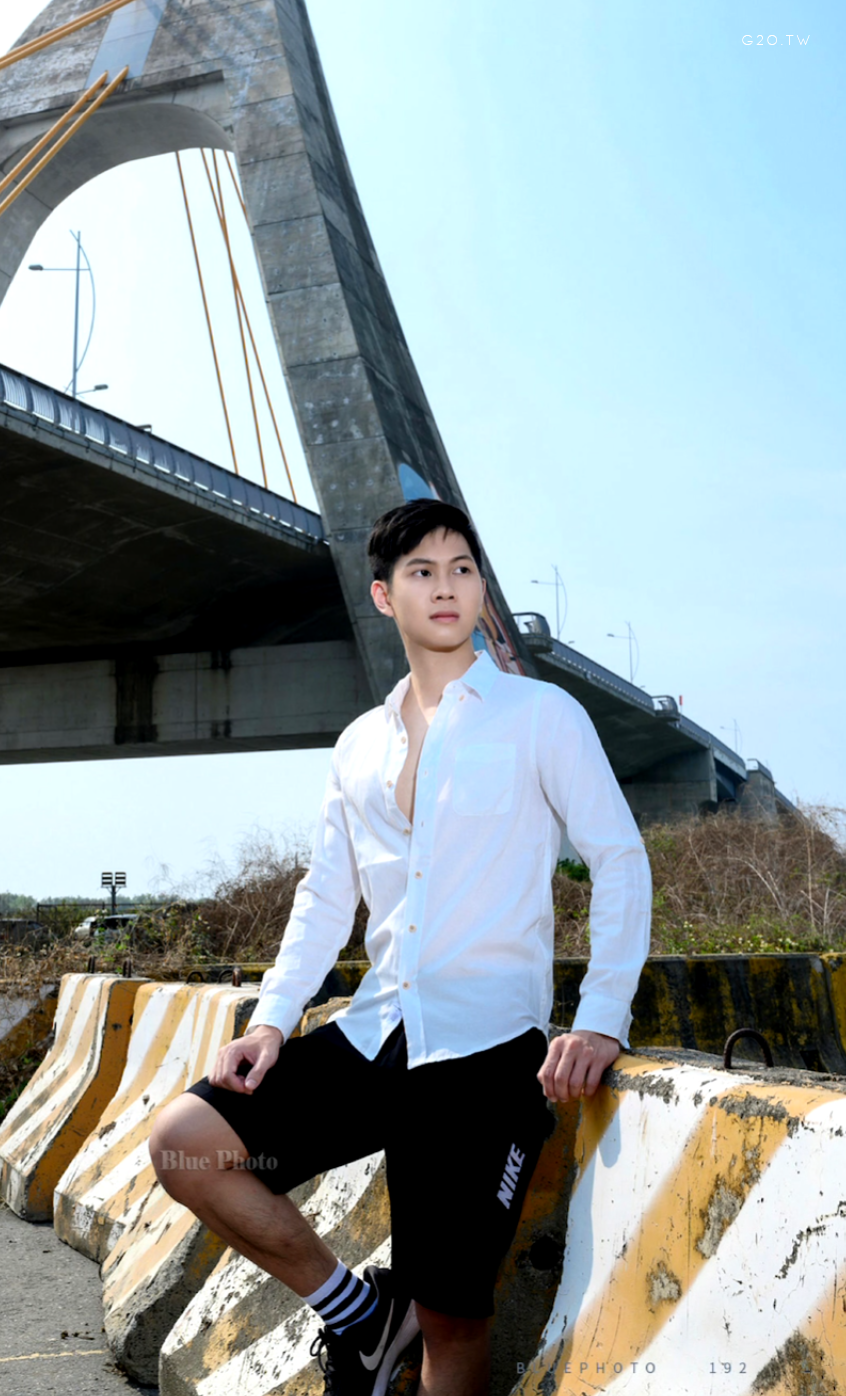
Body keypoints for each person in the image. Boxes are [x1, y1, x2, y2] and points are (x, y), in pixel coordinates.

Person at [149, 499, 651, 1396]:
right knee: (186, 1143)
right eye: (422, 571)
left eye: (463, 568)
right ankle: (364, 1313)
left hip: (487, 1053)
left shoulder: (541, 715)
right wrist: (271, 1020)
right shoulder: (359, 742)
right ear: (384, 595)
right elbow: (324, 895)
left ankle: (407, 1325)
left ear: (481, 587)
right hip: (377, 1033)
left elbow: (619, 858)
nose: (447, 586)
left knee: (453, 1317)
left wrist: (601, 1016)